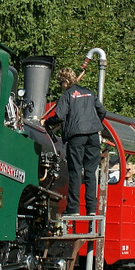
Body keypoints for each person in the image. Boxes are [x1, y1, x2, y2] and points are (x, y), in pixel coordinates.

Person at [50, 65, 105, 218]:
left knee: (75, 171)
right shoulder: (89, 92)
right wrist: (92, 124)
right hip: (93, 135)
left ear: (65, 81)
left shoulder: (67, 95)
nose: (61, 87)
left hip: (76, 136)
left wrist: (46, 123)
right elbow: (102, 111)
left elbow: (59, 116)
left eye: (61, 84)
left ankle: (73, 208)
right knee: (90, 173)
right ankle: (91, 209)